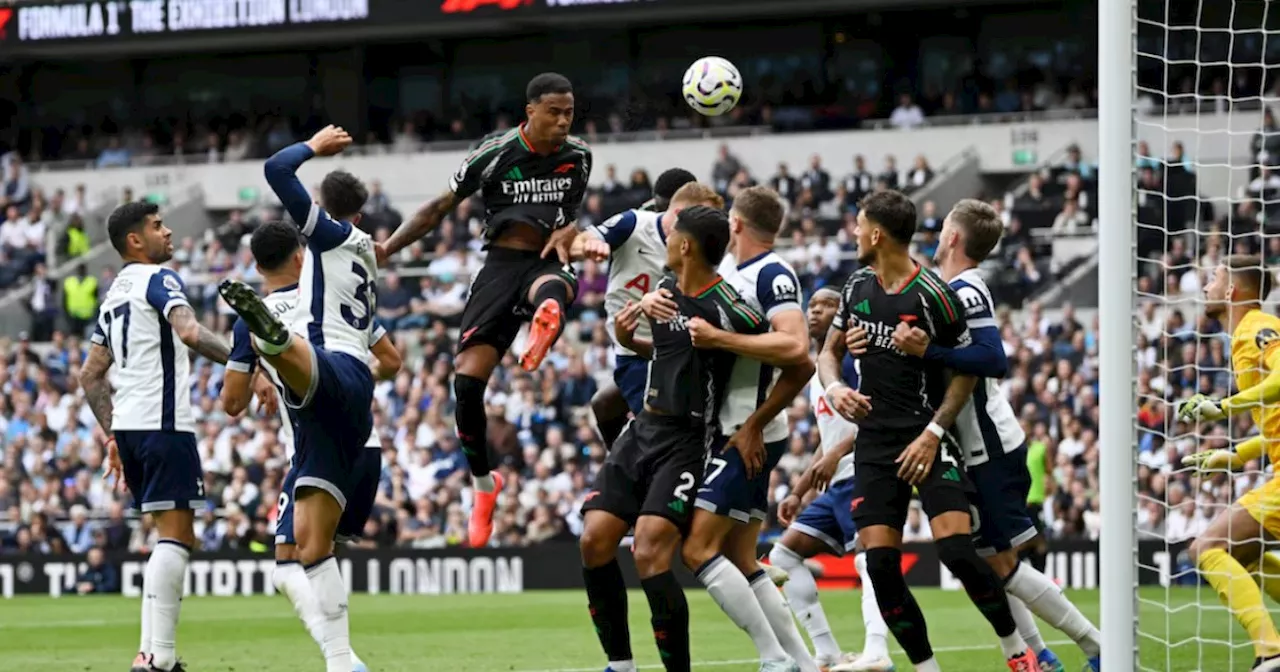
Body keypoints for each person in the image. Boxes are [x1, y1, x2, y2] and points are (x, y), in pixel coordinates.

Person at [818, 190, 1037, 672]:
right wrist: (835, 389)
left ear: (877, 234)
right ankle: (926, 668)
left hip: (927, 436)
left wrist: (935, 430)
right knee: (879, 566)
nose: (853, 232)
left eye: (858, 225)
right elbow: (828, 352)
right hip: (874, 444)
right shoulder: (856, 286)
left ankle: (1016, 652)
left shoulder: (935, 296)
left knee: (958, 550)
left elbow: (968, 372)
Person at [374, 73, 595, 548]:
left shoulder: (579, 156)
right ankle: (483, 485)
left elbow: (570, 216)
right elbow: (437, 208)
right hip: (499, 265)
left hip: (545, 259)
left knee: (553, 289)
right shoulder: (493, 154)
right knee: (466, 384)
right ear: (530, 110)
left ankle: (544, 325)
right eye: (554, 112)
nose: (562, 121)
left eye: (569, 113)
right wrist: (389, 247)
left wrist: (570, 231)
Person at [886, 199, 1101, 672]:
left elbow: (993, 358)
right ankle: (1041, 655)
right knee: (992, 564)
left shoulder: (968, 290)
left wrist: (929, 351)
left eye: (943, 227)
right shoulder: (948, 288)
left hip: (990, 446)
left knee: (1001, 565)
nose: (938, 234)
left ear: (954, 238)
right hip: (973, 447)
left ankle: (1095, 646)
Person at [577, 205, 772, 672]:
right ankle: (620, 665)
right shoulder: (664, 290)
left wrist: (753, 417)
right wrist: (631, 339)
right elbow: (669, 352)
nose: (663, 242)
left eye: (671, 236)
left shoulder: (730, 306)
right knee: (594, 540)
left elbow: (788, 353)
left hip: (687, 437)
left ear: (685, 246)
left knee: (648, 548)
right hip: (642, 428)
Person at [218, 124, 378, 672]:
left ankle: (276, 344)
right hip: (355, 411)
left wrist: (313, 146)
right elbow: (394, 357)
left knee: (300, 369)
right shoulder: (355, 259)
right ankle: (342, 661)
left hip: (319, 380)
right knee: (311, 553)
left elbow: (231, 404)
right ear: (298, 255)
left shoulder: (325, 245)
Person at [642, 185, 815, 670]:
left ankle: (775, 658)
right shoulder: (725, 278)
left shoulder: (770, 275)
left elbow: (798, 353)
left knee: (697, 549)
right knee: (742, 558)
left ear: (733, 224)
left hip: (747, 430)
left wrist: (754, 424)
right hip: (731, 427)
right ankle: (801, 662)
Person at [80, 200, 239, 672]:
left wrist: (111, 436)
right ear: (135, 241)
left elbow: (90, 375)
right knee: (177, 537)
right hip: (163, 423)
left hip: (129, 429)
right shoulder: (159, 280)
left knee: (165, 538)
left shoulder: (114, 295)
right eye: (156, 226)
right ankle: (160, 660)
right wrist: (245, 362)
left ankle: (150, 655)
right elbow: (189, 332)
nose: (168, 232)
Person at [769, 285, 894, 672]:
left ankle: (877, 652)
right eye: (812, 305)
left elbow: (880, 419)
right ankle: (826, 652)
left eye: (828, 305)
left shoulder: (858, 360)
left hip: (866, 472)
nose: (816, 311)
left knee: (869, 562)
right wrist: (799, 490)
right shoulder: (818, 372)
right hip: (837, 481)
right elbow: (830, 441)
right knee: (783, 555)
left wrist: (837, 454)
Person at [1180, 255, 1280, 672]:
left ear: (1232, 290)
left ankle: (1270, 651)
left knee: (1208, 547)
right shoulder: (1245, 335)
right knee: (1245, 551)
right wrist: (1234, 454)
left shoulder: (1255, 328)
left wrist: (1221, 407)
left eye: (1213, 278)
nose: (1205, 286)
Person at [578, 167, 698, 447]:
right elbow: (584, 240)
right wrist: (585, 247)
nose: (658, 210)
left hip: (678, 351)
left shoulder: (699, 242)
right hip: (635, 347)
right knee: (606, 406)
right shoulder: (634, 224)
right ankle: (621, 463)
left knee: (662, 439)